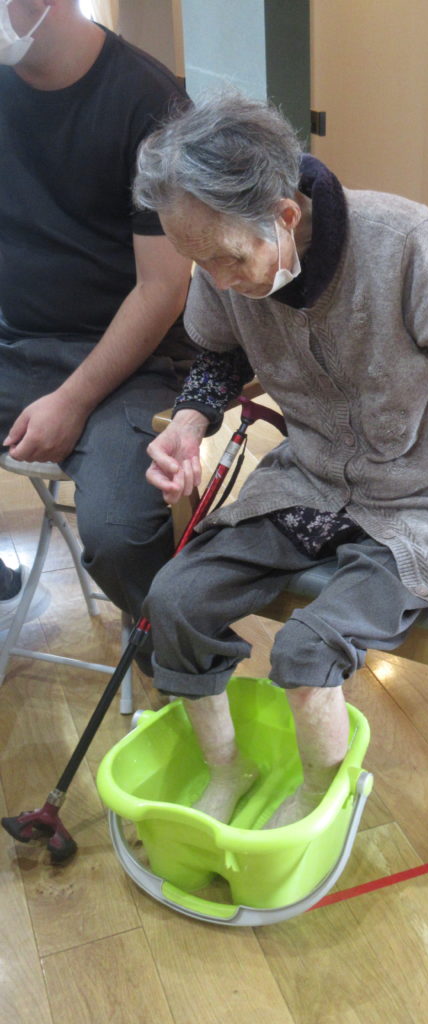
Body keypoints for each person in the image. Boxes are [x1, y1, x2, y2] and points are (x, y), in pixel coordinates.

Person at [135, 93, 428, 828]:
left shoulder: (401, 242)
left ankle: (319, 797)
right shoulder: (223, 261)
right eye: (200, 262)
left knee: (306, 651)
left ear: (284, 215)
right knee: (173, 599)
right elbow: (220, 357)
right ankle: (226, 769)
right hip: (313, 480)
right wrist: (191, 422)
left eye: (228, 258)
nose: (218, 281)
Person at [0, 0, 194, 650]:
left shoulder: (152, 105)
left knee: (120, 534)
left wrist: (72, 400)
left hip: (136, 363)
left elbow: (162, 288)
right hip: (18, 342)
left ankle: (174, 652)